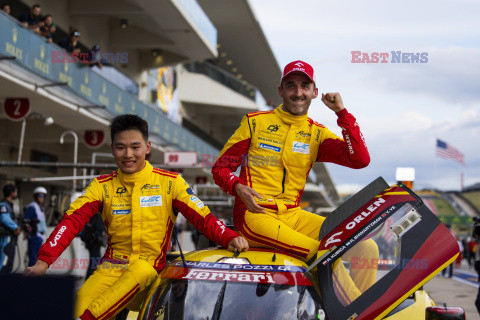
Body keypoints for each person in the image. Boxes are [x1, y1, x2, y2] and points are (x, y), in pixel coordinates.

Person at [24, 114, 249, 320]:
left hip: (149, 277)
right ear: (112, 149)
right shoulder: (101, 186)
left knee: (140, 271)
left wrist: (229, 237)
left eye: (135, 147)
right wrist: (43, 262)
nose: (128, 154)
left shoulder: (171, 183)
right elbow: (70, 222)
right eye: (121, 148)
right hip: (109, 271)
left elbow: (204, 218)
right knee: (76, 307)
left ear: (147, 147)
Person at [212, 60, 377, 300]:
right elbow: (220, 169)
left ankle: (362, 306)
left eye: (304, 86)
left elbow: (360, 159)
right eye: (291, 86)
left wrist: (342, 113)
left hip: (293, 214)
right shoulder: (254, 122)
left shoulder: (317, 134)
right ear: (280, 91)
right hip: (255, 216)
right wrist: (237, 187)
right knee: (323, 254)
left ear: (314, 92)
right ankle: (360, 314)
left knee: (366, 247)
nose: (298, 93)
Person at [24, 186, 48, 267]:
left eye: (43, 196)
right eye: (40, 196)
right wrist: (29, 230)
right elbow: (26, 221)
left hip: (40, 236)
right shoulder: (32, 207)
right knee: (33, 259)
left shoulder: (40, 208)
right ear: (36, 196)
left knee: (38, 259)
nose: (42, 198)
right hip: (34, 236)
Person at [0, 184, 21, 273]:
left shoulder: (9, 205)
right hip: (6, 237)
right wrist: (16, 227)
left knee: (10, 262)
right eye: (15, 191)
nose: (16, 193)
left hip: (11, 237)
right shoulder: (3, 205)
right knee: (4, 260)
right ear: (12, 193)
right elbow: (4, 218)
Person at [80, 212, 106, 279]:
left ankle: (90, 279)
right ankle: (90, 279)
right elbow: (100, 227)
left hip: (91, 242)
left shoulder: (92, 214)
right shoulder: (96, 215)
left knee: (94, 261)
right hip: (94, 242)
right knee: (95, 261)